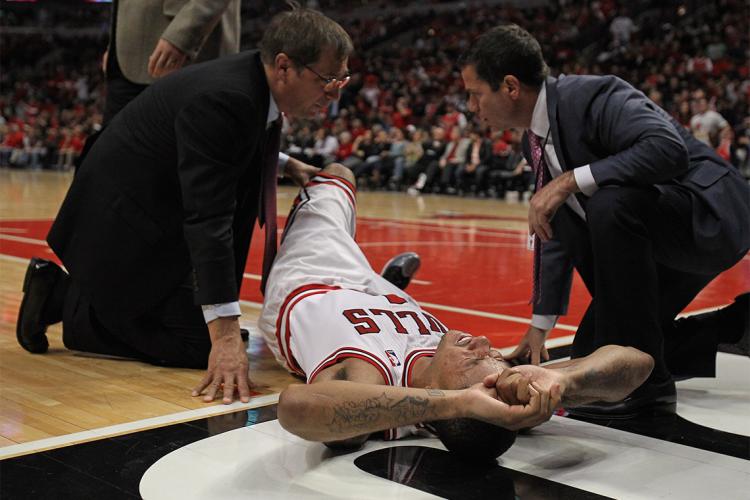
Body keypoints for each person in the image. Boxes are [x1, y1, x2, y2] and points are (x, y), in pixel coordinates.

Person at [16, 8, 353, 405]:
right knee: (200, 344)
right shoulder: (228, 97)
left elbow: (219, 147)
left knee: (212, 330)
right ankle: (63, 297)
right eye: (328, 80)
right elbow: (209, 218)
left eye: (342, 80)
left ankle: (92, 297)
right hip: (120, 222)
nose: (335, 94)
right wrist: (224, 337)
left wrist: (284, 163)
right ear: (284, 66)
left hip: (143, 209)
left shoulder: (248, 81)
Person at [259, 163, 654, 459]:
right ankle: (390, 282)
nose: (483, 343)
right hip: (381, 299)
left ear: (454, 398)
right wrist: (564, 384)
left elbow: (295, 408)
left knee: (338, 174)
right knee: (395, 299)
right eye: (493, 356)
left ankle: (287, 163)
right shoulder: (498, 390)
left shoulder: (375, 382)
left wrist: (455, 404)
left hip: (318, 277)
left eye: (475, 363)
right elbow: (638, 363)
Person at [459, 24, 750, 417]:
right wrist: (539, 325)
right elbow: (554, 229)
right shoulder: (534, 140)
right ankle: (735, 326)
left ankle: (649, 386)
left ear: (510, 86)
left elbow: (668, 149)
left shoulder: (592, 94)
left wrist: (568, 181)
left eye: (475, 94)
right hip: (659, 236)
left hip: (709, 215)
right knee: (594, 351)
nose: (471, 107)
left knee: (610, 202)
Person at [102, 0, 241, 125]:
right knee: (108, 150)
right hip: (127, 55)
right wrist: (115, 41)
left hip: (181, 50)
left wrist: (182, 36)